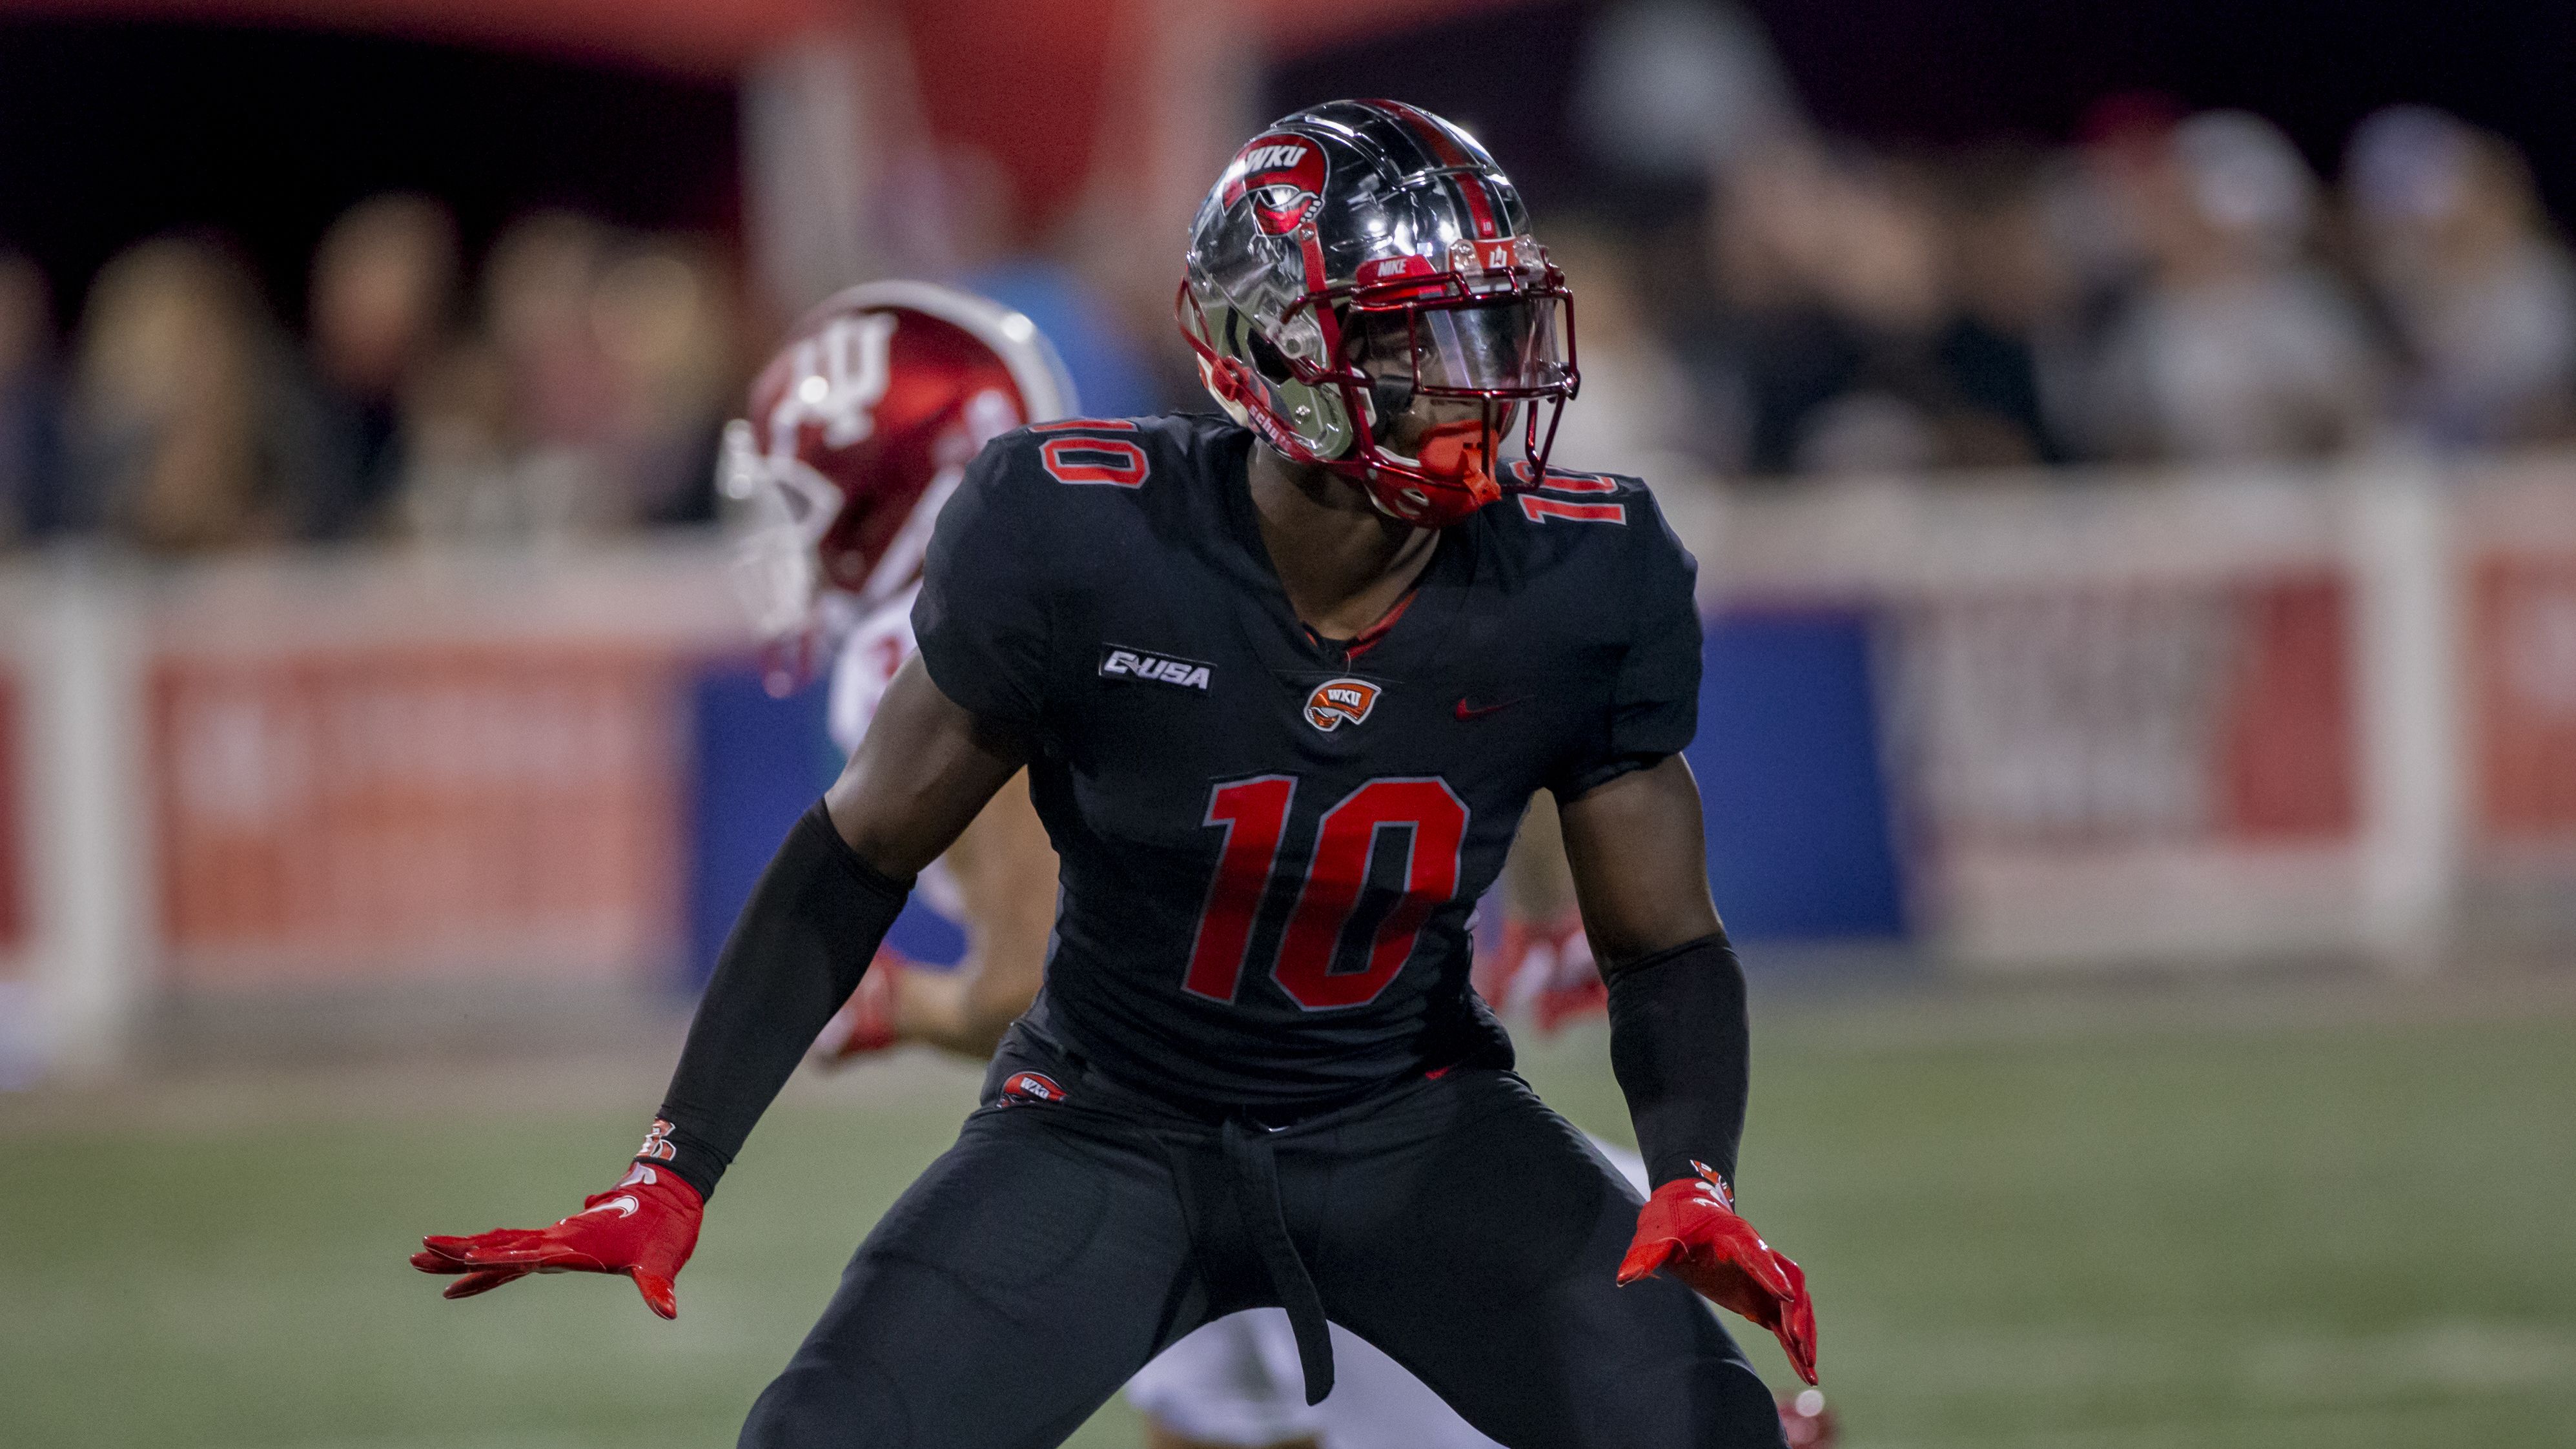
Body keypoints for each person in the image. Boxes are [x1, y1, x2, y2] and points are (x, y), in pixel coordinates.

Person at [414, 100, 1817, 1448]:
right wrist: (676, 1166)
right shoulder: (1077, 534)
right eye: (1412, 339)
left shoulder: (1587, 566)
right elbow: (856, 855)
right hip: (1109, 1127)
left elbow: (1666, 939)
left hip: (1413, 1123)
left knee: (1713, 1430)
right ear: (1266, 354)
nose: (1474, 376)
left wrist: (1695, 1168)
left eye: (1488, 324)